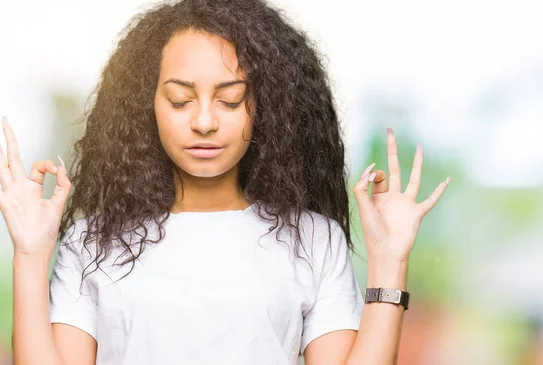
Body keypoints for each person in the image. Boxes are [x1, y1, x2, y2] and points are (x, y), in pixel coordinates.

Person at [2, 0, 449, 364]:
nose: (203, 121)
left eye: (230, 99)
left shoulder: (313, 240)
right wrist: (29, 252)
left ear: (262, 106)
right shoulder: (92, 243)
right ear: (148, 105)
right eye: (180, 100)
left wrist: (390, 259)